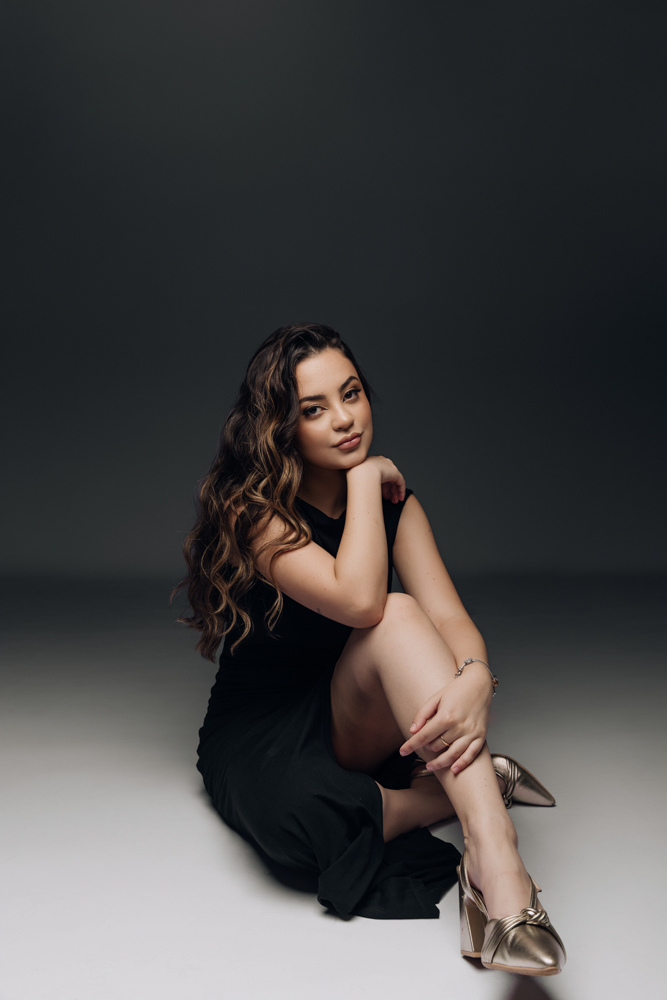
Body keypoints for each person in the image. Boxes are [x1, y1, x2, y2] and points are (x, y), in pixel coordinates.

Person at [176, 323, 566, 976]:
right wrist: (364, 480)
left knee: (403, 613)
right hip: (266, 728)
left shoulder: (398, 508)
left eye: (351, 393)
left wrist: (476, 677)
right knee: (298, 825)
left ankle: (496, 863)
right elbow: (356, 600)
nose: (344, 419)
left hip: (358, 710)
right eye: (314, 409)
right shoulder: (255, 513)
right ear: (282, 428)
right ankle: (472, 787)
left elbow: (448, 618)